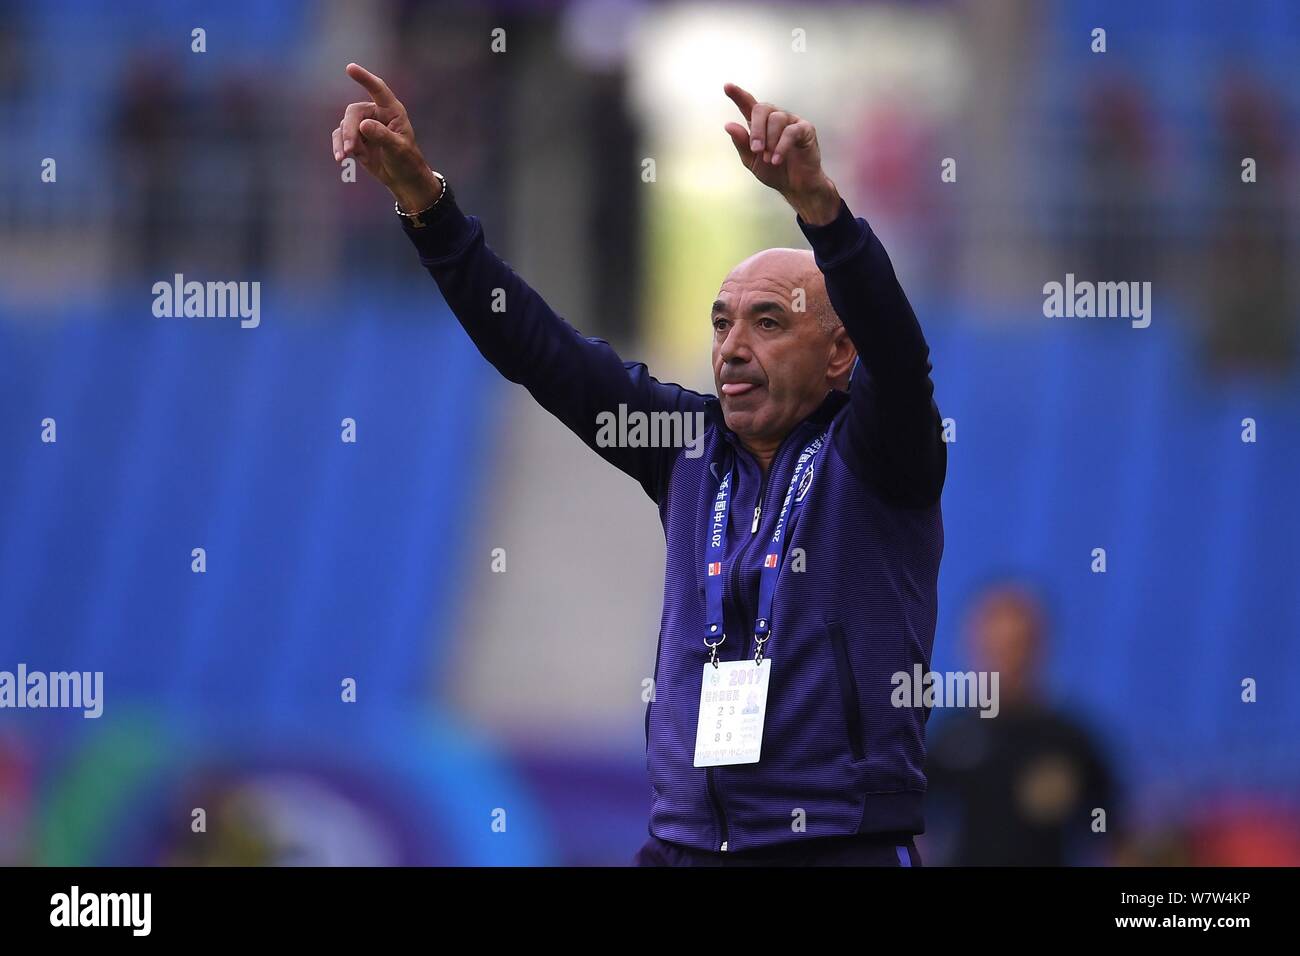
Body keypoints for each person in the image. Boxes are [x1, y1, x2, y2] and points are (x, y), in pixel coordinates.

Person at [332, 63, 945, 866]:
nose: (732, 347)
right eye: (722, 323)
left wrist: (821, 213)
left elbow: (900, 359)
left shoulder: (879, 454)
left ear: (839, 355)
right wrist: (427, 207)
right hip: (685, 845)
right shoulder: (686, 448)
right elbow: (540, 351)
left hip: (832, 846)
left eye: (768, 322)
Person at [925, 583, 1117, 866]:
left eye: (1016, 646)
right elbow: (916, 826)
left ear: (1039, 648)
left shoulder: (1071, 741)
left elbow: (1112, 830)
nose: (1005, 662)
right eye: (993, 648)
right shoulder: (949, 739)